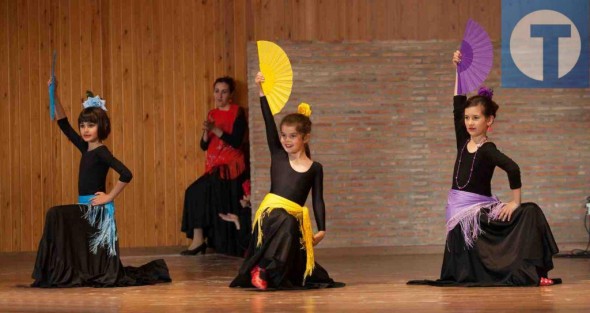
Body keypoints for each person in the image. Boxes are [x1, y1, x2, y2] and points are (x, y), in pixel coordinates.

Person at [408, 51, 560, 287]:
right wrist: (458, 70)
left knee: (530, 211)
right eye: (467, 118)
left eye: (476, 118)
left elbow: (513, 168)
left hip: (478, 210)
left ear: (489, 121)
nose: (469, 122)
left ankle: (532, 270)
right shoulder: (463, 141)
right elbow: (458, 103)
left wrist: (515, 202)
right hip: (460, 212)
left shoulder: (487, 149)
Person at [32, 78, 171, 287]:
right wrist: (54, 92)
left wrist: (109, 197)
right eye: (83, 125)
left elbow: (126, 173)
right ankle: (58, 271)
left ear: (101, 126)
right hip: (85, 208)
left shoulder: (102, 151)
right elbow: (63, 123)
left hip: (97, 211)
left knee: (54, 214)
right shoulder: (85, 147)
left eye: (91, 125)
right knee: (57, 219)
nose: (85, 130)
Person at [229, 72, 344, 290]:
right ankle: (263, 270)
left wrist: (322, 229)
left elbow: (318, 199)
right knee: (285, 220)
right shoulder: (278, 155)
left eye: (292, 136)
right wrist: (261, 92)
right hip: (271, 216)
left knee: (316, 274)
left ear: (305, 138)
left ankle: (269, 271)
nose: (286, 140)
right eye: (283, 135)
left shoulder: (315, 168)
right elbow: (268, 121)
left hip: (291, 221)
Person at [180, 76, 250, 256]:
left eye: (224, 91)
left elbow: (236, 141)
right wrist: (206, 132)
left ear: (231, 94)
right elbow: (204, 145)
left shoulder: (237, 112)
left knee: (195, 192)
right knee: (195, 194)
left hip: (230, 168)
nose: (219, 95)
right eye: (217, 91)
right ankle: (198, 240)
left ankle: (198, 241)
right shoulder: (212, 113)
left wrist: (215, 129)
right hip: (213, 166)